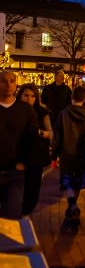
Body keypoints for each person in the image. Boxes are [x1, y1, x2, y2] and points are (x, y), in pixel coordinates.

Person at [52, 85, 85, 228]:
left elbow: (57, 136)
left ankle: (72, 204)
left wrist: (55, 154)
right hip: (82, 155)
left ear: (72, 97)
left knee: (68, 182)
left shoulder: (63, 114)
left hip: (66, 154)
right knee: (77, 183)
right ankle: (73, 205)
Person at [0, 70, 38, 219]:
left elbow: (31, 140)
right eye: (4, 81)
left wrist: (23, 162)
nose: (8, 85)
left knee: (12, 216)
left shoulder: (26, 111)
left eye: (12, 81)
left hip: (14, 174)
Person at [16, 83, 52, 216]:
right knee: (16, 192)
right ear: (20, 96)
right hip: (16, 158)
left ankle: (25, 214)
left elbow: (50, 134)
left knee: (32, 191)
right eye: (26, 95)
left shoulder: (42, 113)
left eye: (32, 96)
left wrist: (38, 132)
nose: (29, 99)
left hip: (35, 158)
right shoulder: (14, 110)